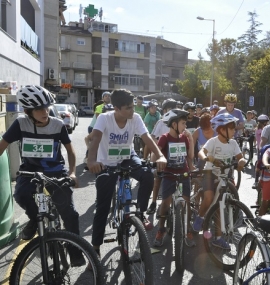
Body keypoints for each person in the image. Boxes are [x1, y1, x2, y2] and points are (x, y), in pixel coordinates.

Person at [0, 85, 85, 266]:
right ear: (28, 111)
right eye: (39, 109)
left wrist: (72, 173)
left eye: (46, 107)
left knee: (69, 214)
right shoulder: (20, 123)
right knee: (21, 195)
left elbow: (70, 151)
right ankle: (33, 218)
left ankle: (75, 252)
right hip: (29, 171)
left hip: (55, 172)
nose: (44, 111)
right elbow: (3, 145)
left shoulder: (57, 124)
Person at [87, 89, 167, 257]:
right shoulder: (104, 118)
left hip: (126, 156)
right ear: (116, 108)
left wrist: (160, 156)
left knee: (146, 174)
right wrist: (92, 161)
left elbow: (147, 138)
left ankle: (140, 213)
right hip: (106, 162)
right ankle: (94, 249)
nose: (132, 111)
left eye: (132, 107)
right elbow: (95, 140)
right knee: (102, 207)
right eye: (128, 108)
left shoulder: (135, 118)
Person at [194, 113, 246, 249]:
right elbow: (201, 152)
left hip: (225, 176)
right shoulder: (213, 141)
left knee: (220, 205)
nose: (235, 131)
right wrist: (206, 158)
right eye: (232, 128)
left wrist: (242, 161)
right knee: (209, 197)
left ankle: (217, 238)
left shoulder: (233, 143)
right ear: (222, 130)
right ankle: (200, 217)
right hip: (210, 173)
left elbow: (240, 157)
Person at [153, 109, 196, 247]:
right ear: (173, 124)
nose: (185, 127)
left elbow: (190, 157)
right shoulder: (165, 137)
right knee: (165, 203)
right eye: (183, 123)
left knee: (187, 202)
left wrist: (191, 140)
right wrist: (158, 159)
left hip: (183, 174)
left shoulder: (184, 137)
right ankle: (161, 229)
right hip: (169, 175)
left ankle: (187, 228)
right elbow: (155, 156)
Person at [147, 98, 177, 215]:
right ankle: (153, 202)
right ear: (164, 110)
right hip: (162, 155)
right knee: (158, 179)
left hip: (176, 156)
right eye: (169, 108)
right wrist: (159, 147)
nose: (172, 111)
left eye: (174, 108)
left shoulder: (178, 122)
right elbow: (152, 136)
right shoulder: (161, 122)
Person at [253, 114, 270, 188]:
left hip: (268, 148)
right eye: (266, 122)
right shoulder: (259, 130)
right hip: (261, 149)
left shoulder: (265, 129)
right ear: (263, 123)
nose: (267, 123)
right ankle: (256, 180)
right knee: (259, 164)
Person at [84, 100, 104, 164]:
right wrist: (89, 147)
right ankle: (87, 158)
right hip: (93, 127)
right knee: (93, 143)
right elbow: (87, 138)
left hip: (96, 127)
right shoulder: (101, 115)